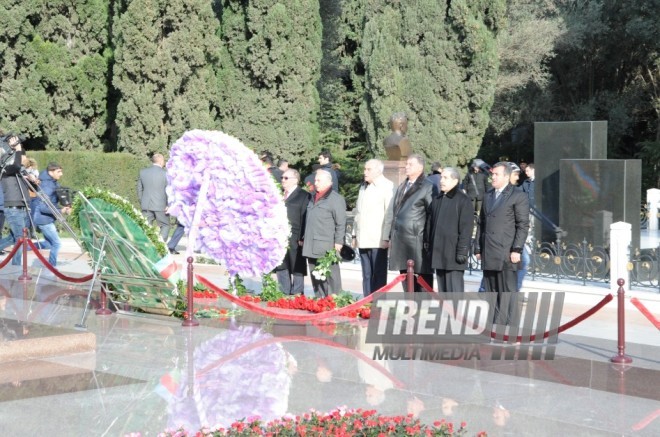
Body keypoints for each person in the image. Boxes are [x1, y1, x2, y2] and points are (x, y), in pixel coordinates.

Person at [474, 162, 530, 324]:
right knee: (491, 291)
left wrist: (517, 249)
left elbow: (522, 225)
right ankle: (494, 325)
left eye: (497, 174)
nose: (493, 177)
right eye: (493, 174)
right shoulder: (488, 195)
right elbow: (481, 223)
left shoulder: (517, 196)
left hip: (506, 253)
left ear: (506, 176)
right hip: (489, 251)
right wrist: (478, 247)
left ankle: (510, 327)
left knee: (507, 291)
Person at [384, 154, 434, 292]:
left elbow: (431, 214)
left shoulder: (427, 186)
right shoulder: (403, 185)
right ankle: (410, 306)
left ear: (420, 167)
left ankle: (423, 308)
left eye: (410, 164)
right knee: (405, 275)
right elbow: (396, 212)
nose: (406, 167)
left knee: (421, 276)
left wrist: (428, 238)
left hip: (417, 238)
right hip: (401, 238)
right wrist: (389, 235)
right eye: (407, 164)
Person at [425, 167, 474, 292]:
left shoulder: (463, 200)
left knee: (454, 292)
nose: (441, 180)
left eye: (446, 178)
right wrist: (428, 245)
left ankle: (454, 313)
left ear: (455, 181)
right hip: (438, 253)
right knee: (443, 292)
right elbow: (430, 224)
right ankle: (446, 312)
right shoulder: (437, 199)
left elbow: (466, 229)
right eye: (441, 177)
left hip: (454, 255)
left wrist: (462, 252)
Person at [352, 159, 394, 296]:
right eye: (365, 169)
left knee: (378, 275)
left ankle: (378, 304)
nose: (365, 172)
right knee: (366, 275)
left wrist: (386, 237)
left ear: (378, 170)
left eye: (368, 169)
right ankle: (367, 302)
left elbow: (389, 215)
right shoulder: (364, 186)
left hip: (377, 239)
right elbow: (358, 213)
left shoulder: (387, 186)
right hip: (363, 238)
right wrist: (354, 235)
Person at [302, 169, 346, 296]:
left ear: (328, 182)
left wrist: (338, 241)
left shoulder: (335, 199)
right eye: (315, 180)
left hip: (326, 245)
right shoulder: (312, 197)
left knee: (331, 276)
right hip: (311, 243)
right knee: (315, 274)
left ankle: (334, 300)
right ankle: (320, 300)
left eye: (318, 180)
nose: (315, 183)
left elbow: (341, 223)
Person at [276, 169, 310, 295]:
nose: (282, 180)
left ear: (295, 180)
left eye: (286, 178)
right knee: (281, 264)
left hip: (296, 235)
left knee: (297, 265)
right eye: (282, 178)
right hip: (279, 236)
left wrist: (303, 236)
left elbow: (305, 217)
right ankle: (284, 292)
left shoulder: (303, 195)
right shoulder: (278, 194)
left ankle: (297, 293)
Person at [32, 163, 71, 266]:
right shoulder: (47, 185)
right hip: (43, 219)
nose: (61, 174)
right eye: (58, 172)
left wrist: (65, 203)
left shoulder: (52, 182)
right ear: (51, 172)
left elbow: (56, 198)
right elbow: (43, 206)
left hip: (45, 219)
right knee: (57, 244)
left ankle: (26, 246)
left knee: (49, 243)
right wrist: (60, 211)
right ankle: (52, 266)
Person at [0, 134, 31, 265]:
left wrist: (32, 180)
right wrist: (17, 149)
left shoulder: (14, 166)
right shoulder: (4, 167)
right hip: (13, 207)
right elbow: (16, 165)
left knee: (13, 238)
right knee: (20, 238)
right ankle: (16, 267)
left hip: (22, 205)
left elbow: (19, 166)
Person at [137, 153, 170, 241]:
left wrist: (142, 202)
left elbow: (139, 189)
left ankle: (147, 247)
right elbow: (169, 191)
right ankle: (160, 247)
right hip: (161, 206)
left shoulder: (143, 172)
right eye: (164, 160)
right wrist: (169, 204)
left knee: (146, 228)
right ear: (161, 161)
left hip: (146, 205)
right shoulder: (166, 174)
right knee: (165, 225)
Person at [518, 163, 536, 292]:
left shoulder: (537, 181)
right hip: (527, 210)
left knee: (534, 230)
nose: (526, 172)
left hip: (536, 210)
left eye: (528, 170)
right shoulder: (526, 183)